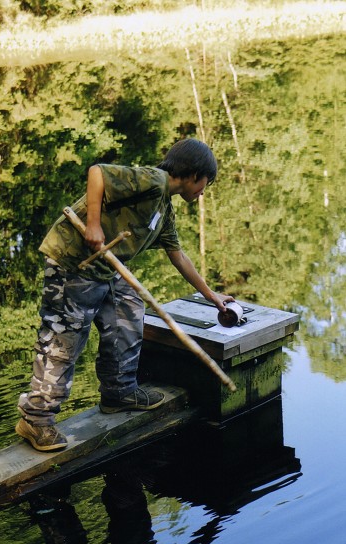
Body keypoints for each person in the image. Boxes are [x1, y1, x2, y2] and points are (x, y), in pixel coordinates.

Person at [15, 138, 234, 452]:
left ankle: (119, 393)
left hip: (105, 268)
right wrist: (93, 224)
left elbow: (178, 255)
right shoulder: (153, 180)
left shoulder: (164, 208)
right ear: (193, 174)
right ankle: (36, 418)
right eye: (204, 184)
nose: (202, 192)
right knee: (65, 339)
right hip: (73, 261)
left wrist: (211, 296)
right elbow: (98, 174)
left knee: (129, 310)